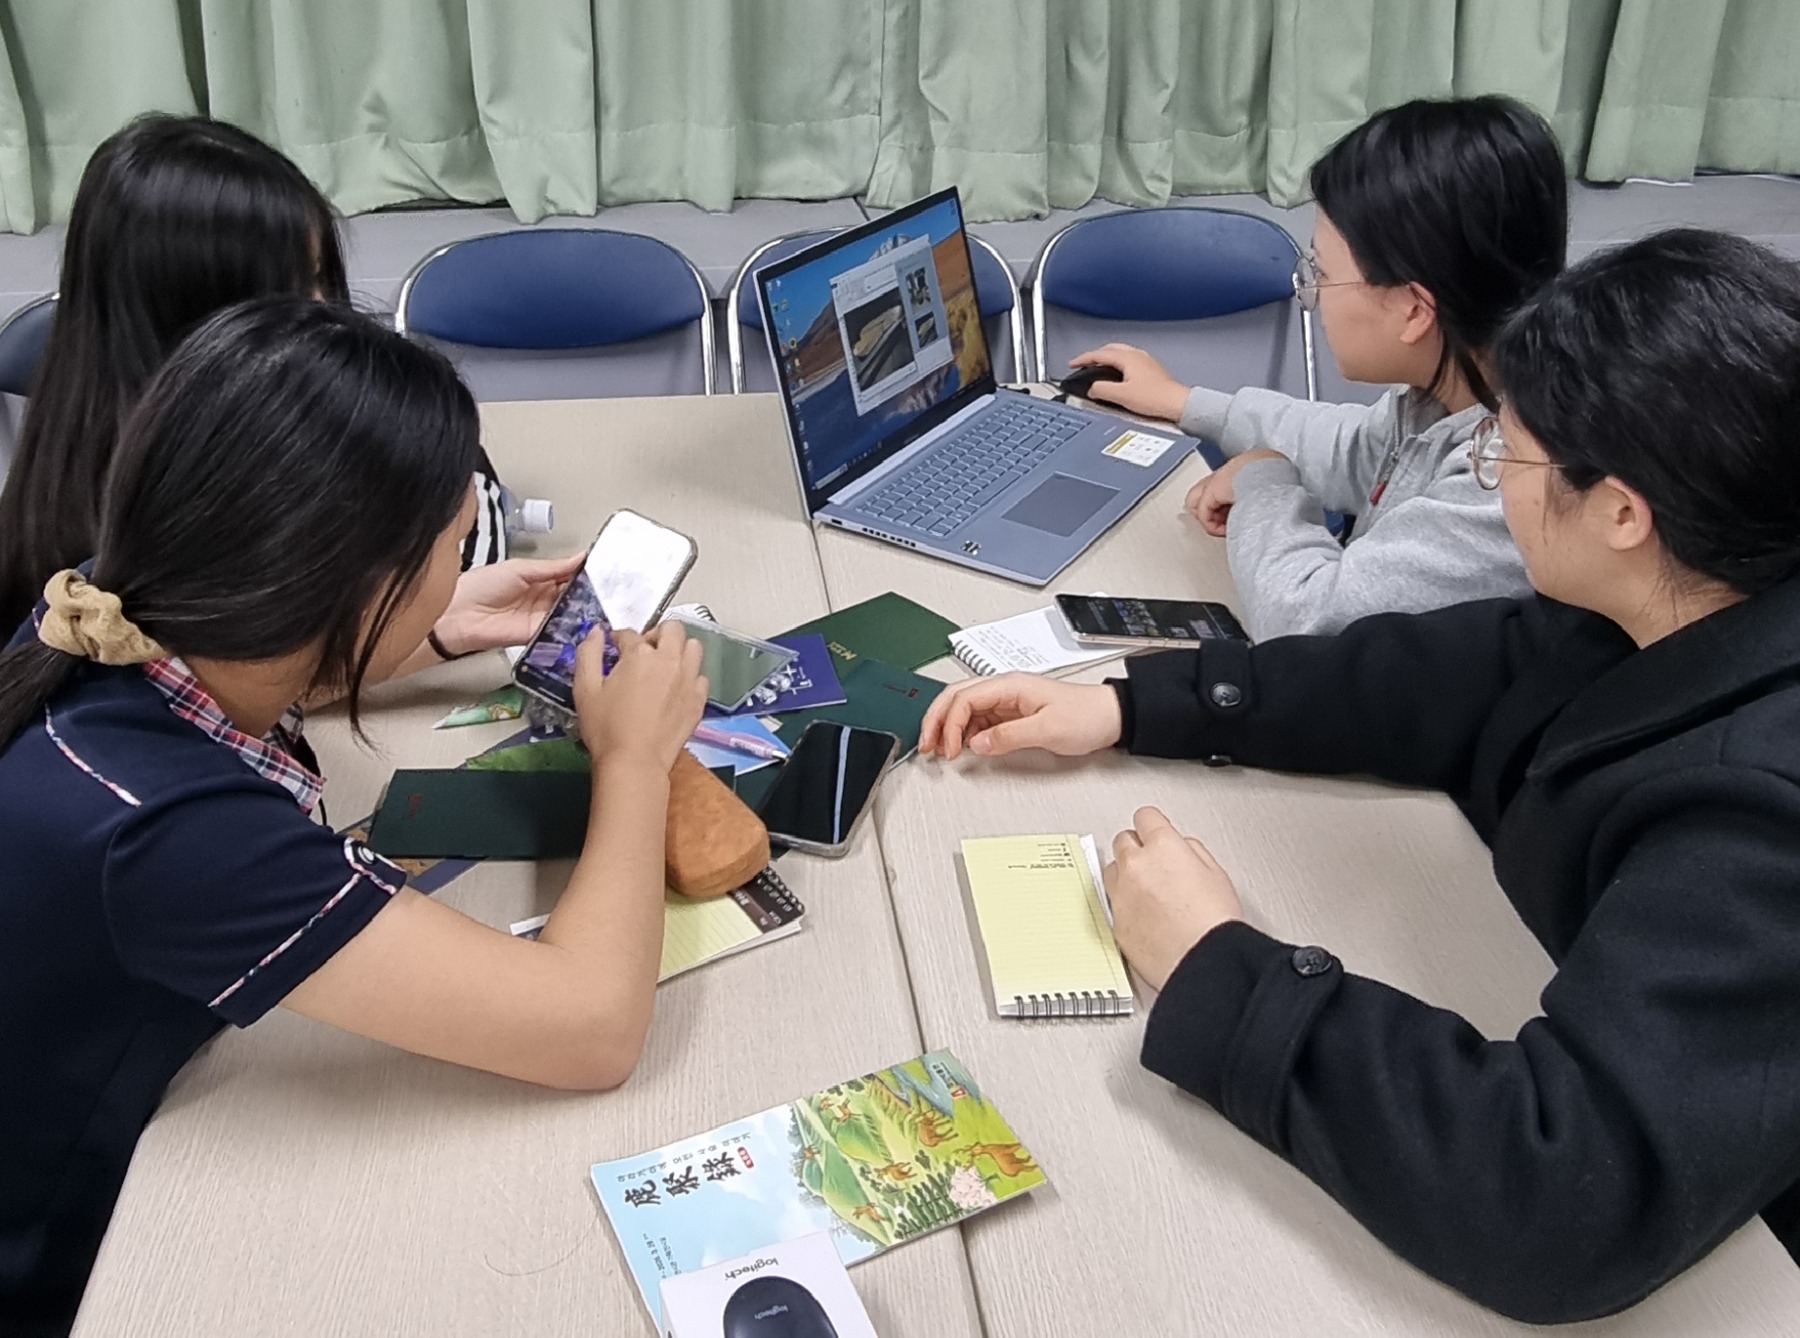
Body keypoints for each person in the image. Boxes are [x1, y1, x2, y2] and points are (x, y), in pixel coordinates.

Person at [919, 229, 1800, 1321]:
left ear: (1624, 510)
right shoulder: (1687, 586)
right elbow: (1445, 675)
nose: (1495, 482)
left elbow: (1556, 1195)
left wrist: (1217, 964)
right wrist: (1129, 704)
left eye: (1508, 459)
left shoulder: (1765, 815)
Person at [0, 300, 705, 1335]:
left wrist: (433, 626)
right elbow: (591, 1029)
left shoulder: (106, 608)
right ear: (338, 583)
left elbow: (237, 681)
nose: (458, 571)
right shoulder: (176, 836)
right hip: (71, 1253)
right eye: (450, 551)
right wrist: (634, 758)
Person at [1068, 96, 1566, 639]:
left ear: (1413, 310)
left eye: (1322, 273)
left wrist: (1263, 478)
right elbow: (1350, 448)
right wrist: (1183, 402)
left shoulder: (1506, 482)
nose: (1312, 292)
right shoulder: (1451, 396)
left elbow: (1306, 619)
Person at [0, 114, 509, 635]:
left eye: (320, 279)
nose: (326, 314)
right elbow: (252, 677)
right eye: (296, 289)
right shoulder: (137, 537)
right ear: (200, 319)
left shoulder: (115, 451)